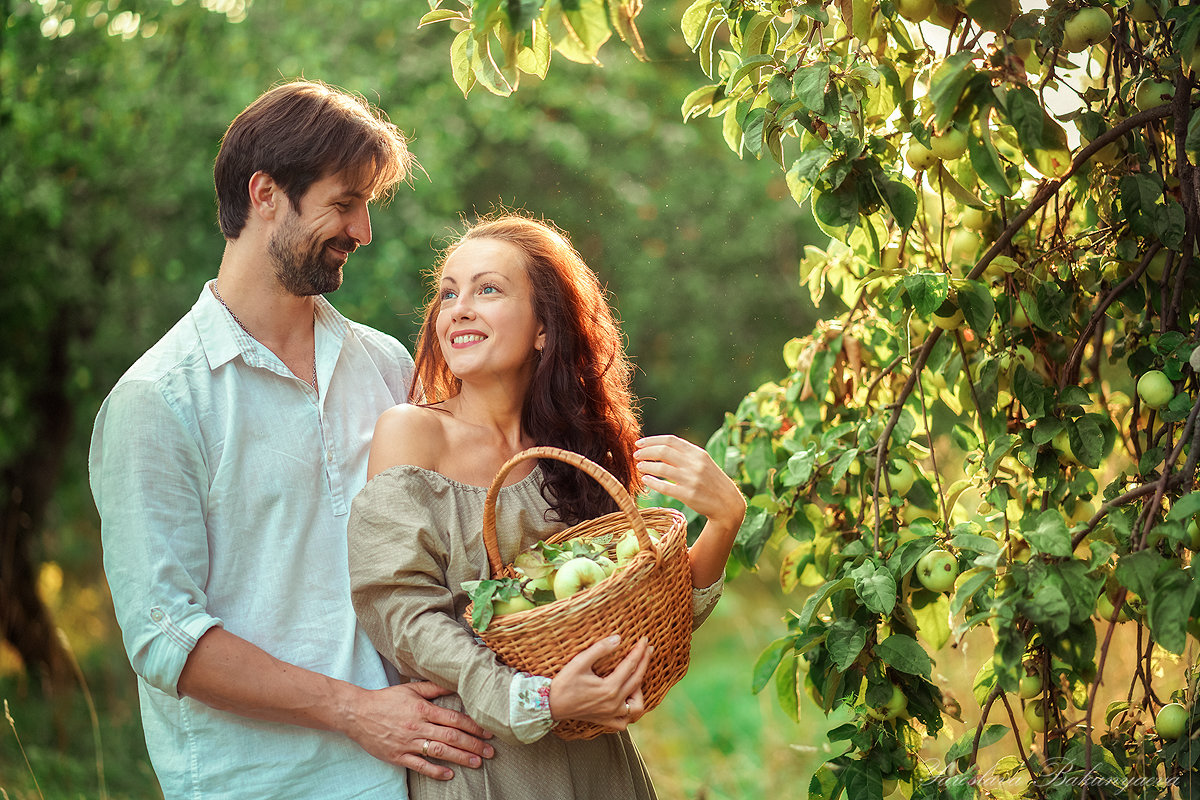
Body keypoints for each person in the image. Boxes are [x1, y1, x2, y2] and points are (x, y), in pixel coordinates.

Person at [88, 80, 494, 800]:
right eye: (345, 203)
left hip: (416, 776)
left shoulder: (385, 364)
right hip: (262, 783)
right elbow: (166, 639)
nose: (364, 230)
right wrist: (358, 713)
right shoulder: (157, 401)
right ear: (265, 193)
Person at [347, 214, 747, 799]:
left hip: (595, 764)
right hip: (483, 760)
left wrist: (724, 520)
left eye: (488, 289)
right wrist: (538, 701)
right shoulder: (413, 434)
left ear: (543, 327)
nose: (458, 308)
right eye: (448, 293)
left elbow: (650, 615)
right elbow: (400, 614)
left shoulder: (574, 452)